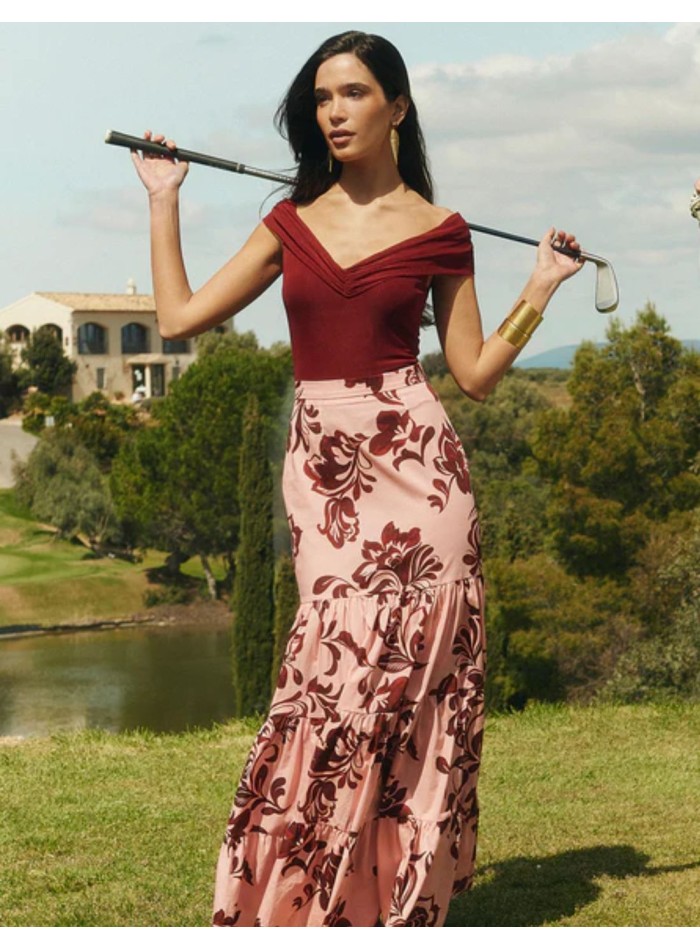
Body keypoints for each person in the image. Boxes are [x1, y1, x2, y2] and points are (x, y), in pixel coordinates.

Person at [131, 30, 583, 927]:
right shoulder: (289, 221)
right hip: (329, 470)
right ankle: (310, 881)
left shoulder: (442, 231)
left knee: (420, 679)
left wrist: (541, 288)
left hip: (422, 466)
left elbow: (477, 374)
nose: (333, 112)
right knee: (329, 677)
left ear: (398, 108)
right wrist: (163, 199)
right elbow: (180, 319)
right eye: (322, 98)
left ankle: (403, 887)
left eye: (352, 94)